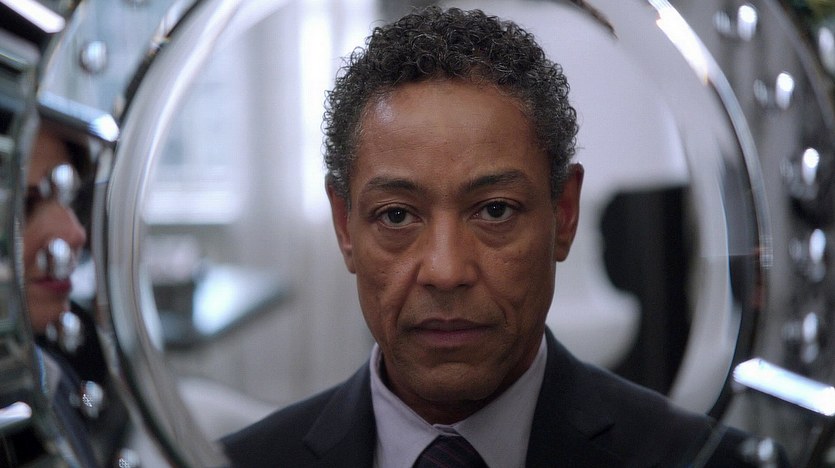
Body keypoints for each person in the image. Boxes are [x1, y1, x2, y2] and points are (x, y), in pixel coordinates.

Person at [223, 7, 783, 467]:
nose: (446, 271)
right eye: (396, 216)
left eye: (494, 210)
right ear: (345, 226)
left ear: (564, 214)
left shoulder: (705, 459)